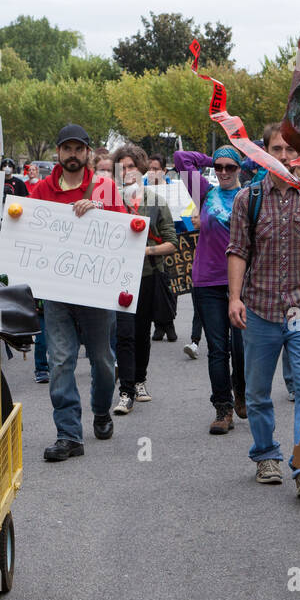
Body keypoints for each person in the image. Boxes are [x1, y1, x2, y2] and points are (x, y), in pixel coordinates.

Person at [227, 123, 300, 492]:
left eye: (291, 150)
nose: (285, 156)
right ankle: (266, 455)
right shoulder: (248, 198)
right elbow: (238, 250)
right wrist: (235, 297)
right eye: (278, 149)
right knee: (258, 392)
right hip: (259, 310)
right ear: (264, 154)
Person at [29, 124, 127, 461]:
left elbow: (126, 234)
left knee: (102, 360)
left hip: (96, 292)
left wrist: (98, 213)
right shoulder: (40, 189)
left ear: (88, 152)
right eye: (66, 149)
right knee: (60, 361)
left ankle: (101, 409)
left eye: (78, 149)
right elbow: (29, 233)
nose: (72, 155)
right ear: (57, 152)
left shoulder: (106, 187)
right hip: (56, 293)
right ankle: (69, 434)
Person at [175, 146, 248, 433]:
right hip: (207, 282)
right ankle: (223, 408)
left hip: (241, 284)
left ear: (240, 168)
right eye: (219, 167)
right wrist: (213, 158)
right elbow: (182, 159)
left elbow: (271, 167)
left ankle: (240, 389)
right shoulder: (205, 193)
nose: (224, 172)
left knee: (241, 348)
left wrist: (247, 155)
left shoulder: (250, 194)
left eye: (231, 167)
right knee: (218, 349)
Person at [111, 145, 176, 415]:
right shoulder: (110, 201)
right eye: (121, 167)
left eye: (131, 167)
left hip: (149, 276)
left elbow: (172, 242)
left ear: (140, 169)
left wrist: (146, 250)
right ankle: (125, 392)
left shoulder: (157, 203)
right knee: (124, 334)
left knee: (141, 334)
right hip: (118, 279)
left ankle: (139, 381)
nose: (126, 172)